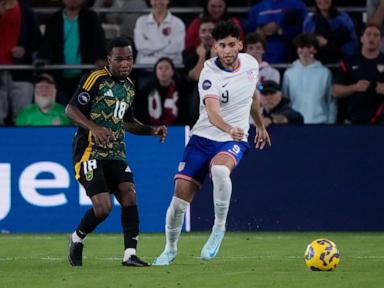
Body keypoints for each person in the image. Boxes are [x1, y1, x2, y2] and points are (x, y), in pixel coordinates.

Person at [152, 21, 271, 266]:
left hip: (230, 140)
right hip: (203, 138)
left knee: (219, 170)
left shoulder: (250, 63)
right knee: (178, 202)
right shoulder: (209, 75)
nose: (227, 50)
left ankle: (218, 229)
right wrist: (231, 128)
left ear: (240, 44)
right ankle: (170, 249)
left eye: (231, 44)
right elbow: (213, 113)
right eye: (221, 46)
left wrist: (258, 124)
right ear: (215, 48)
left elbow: (252, 95)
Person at [65, 37, 167, 267]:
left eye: (129, 58)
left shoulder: (129, 87)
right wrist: (94, 127)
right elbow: (70, 109)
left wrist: (152, 130)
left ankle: (129, 254)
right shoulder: (95, 79)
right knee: (103, 208)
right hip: (89, 151)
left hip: (116, 153)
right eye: (119, 59)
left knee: (129, 195)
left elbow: (128, 122)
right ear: (109, 60)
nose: (125, 63)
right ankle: (77, 238)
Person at [37, 0, 107, 105]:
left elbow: (99, 41)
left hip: (84, 76)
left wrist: (101, 58)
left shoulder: (91, 17)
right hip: (58, 77)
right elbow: (46, 46)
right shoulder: (54, 19)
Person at [0, 0, 42, 125]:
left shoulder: (27, 12)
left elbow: (37, 40)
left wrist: (25, 49)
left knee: (22, 118)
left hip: (21, 72)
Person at [333, 23, 384, 124]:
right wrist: (355, 87)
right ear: (361, 39)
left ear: (381, 40)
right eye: (368, 34)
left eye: (376, 35)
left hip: (381, 123)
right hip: (352, 122)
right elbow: (336, 91)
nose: (372, 37)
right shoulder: (348, 62)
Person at [282, 33, 336, 124]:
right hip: (295, 123)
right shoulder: (289, 73)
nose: (305, 51)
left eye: (308, 47)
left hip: (320, 122)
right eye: (301, 47)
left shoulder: (325, 73)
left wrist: (331, 122)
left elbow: (331, 100)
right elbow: (285, 100)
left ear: (315, 49)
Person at [134, 57, 188, 125]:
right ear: (155, 71)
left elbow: (184, 114)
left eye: (167, 68)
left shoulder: (181, 90)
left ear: (172, 72)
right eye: (160, 68)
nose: (163, 71)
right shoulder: (146, 91)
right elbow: (140, 115)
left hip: (176, 129)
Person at [133, 0, 185, 65]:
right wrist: (167, 43)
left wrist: (151, 50)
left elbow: (176, 48)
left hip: (171, 69)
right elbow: (140, 46)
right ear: (150, 1)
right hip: (144, 68)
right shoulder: (141, 21)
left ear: (168, 1)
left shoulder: (178, 23)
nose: (158, 2)